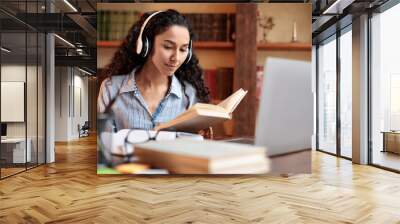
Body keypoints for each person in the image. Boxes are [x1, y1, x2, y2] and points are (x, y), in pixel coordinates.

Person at [98, 9, 212, 137]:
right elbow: (104, 146)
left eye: (183, 49)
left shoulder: (189, 95)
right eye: (168, 47)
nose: (176, 58)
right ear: (147, 45)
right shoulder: (111, 88)